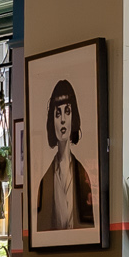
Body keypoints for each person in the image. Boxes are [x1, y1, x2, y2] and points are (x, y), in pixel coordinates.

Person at [35, 78, 95, 233]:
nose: (62, 120)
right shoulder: (45, 180)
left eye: (67, 112)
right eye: (57, 113)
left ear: (73, 117)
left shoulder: (83, 175)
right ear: (52, 120)